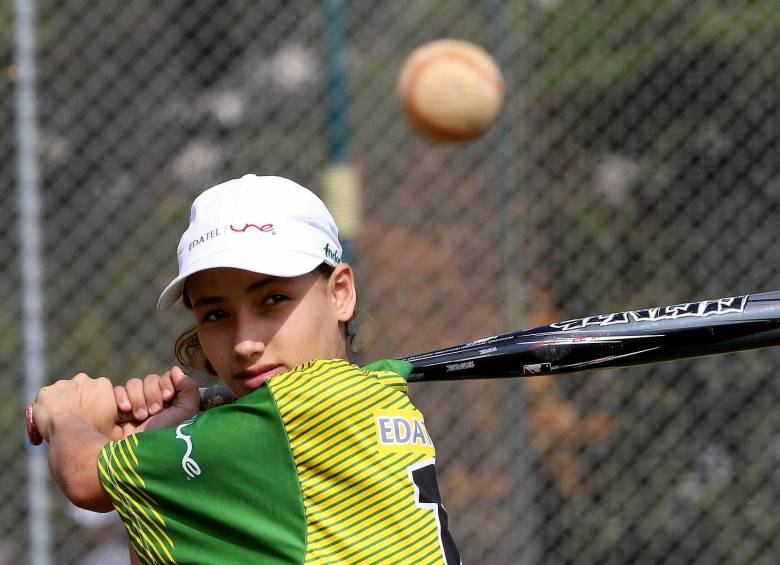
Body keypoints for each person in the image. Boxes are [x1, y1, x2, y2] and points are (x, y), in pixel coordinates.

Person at [32, 174, 461, 564]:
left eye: (273, 300)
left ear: (340, 294)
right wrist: (160, 440)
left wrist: (67, 415)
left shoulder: (291, 414)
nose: (244, 343)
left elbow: (84, 477)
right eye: (216, 314)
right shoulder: (378, 392)